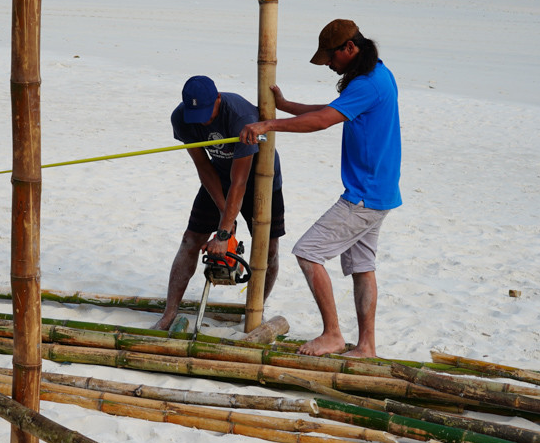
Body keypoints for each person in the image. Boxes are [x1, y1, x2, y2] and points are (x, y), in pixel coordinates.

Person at [240, 19, 401, 358]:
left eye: (330, 58)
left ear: (349, 49)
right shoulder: (377, 74)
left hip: (363, 195)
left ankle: (333, 335)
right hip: (379, 190)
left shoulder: (368, 83)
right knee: (362, 267)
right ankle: (367, 346)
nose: (329, 65)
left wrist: (269, 123)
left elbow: (324, 120)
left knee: (308, 252)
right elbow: (331, 111)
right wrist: (286, 107)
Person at [153, 76, 285, 331]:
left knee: (269, 249)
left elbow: (240, 180)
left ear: (218, 99)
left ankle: (255, 312)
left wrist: (224, 232)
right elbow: (203, 165)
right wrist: (226, 213)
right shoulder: (181, 118)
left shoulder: (239, 116)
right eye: (195, 114)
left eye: (206, 113)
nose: (201, 120)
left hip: (262, 178)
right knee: (190, 240)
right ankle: (169, 314)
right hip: (218, 176)